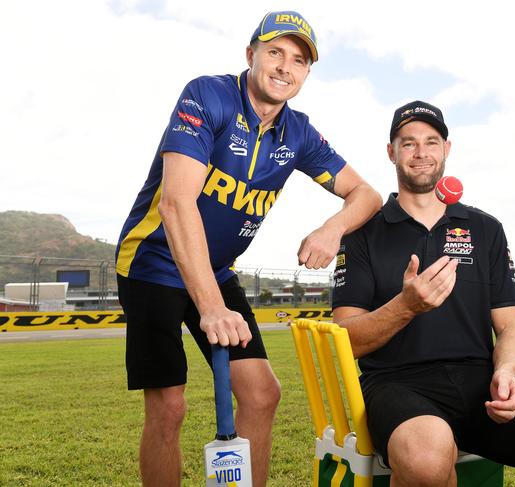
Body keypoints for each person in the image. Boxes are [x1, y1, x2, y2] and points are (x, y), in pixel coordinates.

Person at [115, 10, 382, 487]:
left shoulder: (297, 132)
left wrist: (332, 229)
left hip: (215, 269)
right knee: (169, 405)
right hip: (152, 264)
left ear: (306, 73)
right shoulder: (208, 96)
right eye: (275, 52)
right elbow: (177, 205)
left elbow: (367, 195)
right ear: (251, 54)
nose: (284, 67)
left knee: (261, 395)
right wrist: (211, 308)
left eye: (298, 60)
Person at [332, 101, 515, 487]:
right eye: (408, 143)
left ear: (447, 149)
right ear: (391, 152)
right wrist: (406, 306)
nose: (421, 152)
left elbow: (511, 327)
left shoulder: (485, 228)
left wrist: (506, 372)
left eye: (431, 141)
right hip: (398, 385)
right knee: (427, 459)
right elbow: (345, 341)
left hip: (483, 383)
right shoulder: (362, 233)